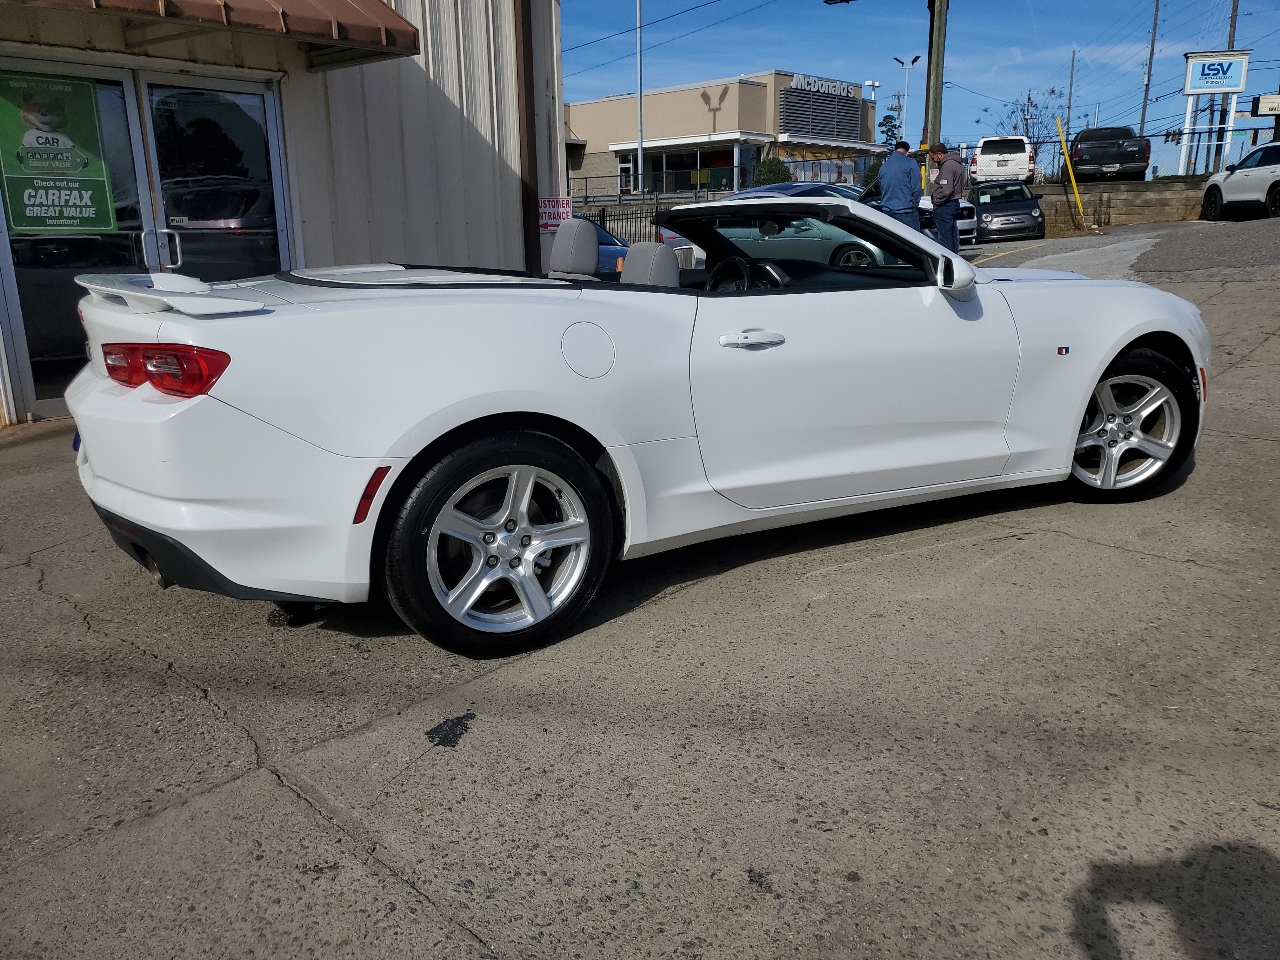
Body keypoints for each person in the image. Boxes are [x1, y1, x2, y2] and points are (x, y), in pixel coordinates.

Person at [928, 141, 968, 253]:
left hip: (945, 205)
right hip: (954, 203)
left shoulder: (947, 165)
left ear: (939, 154)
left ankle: (948, 264)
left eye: (933, 157)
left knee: (945, 238)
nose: (933, 160)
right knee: (952, 236)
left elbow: (947, 189)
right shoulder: (958, 164)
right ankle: (954, 259)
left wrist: (936, 200)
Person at [877, 140, 922, 231]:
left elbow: (882, 187)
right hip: (906, 210)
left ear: (895, 149)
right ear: (907, 152)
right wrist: (914, 204)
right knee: (912, 241)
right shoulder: (911, 163)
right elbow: (916, 187)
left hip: (887, 210)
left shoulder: (884, 166)